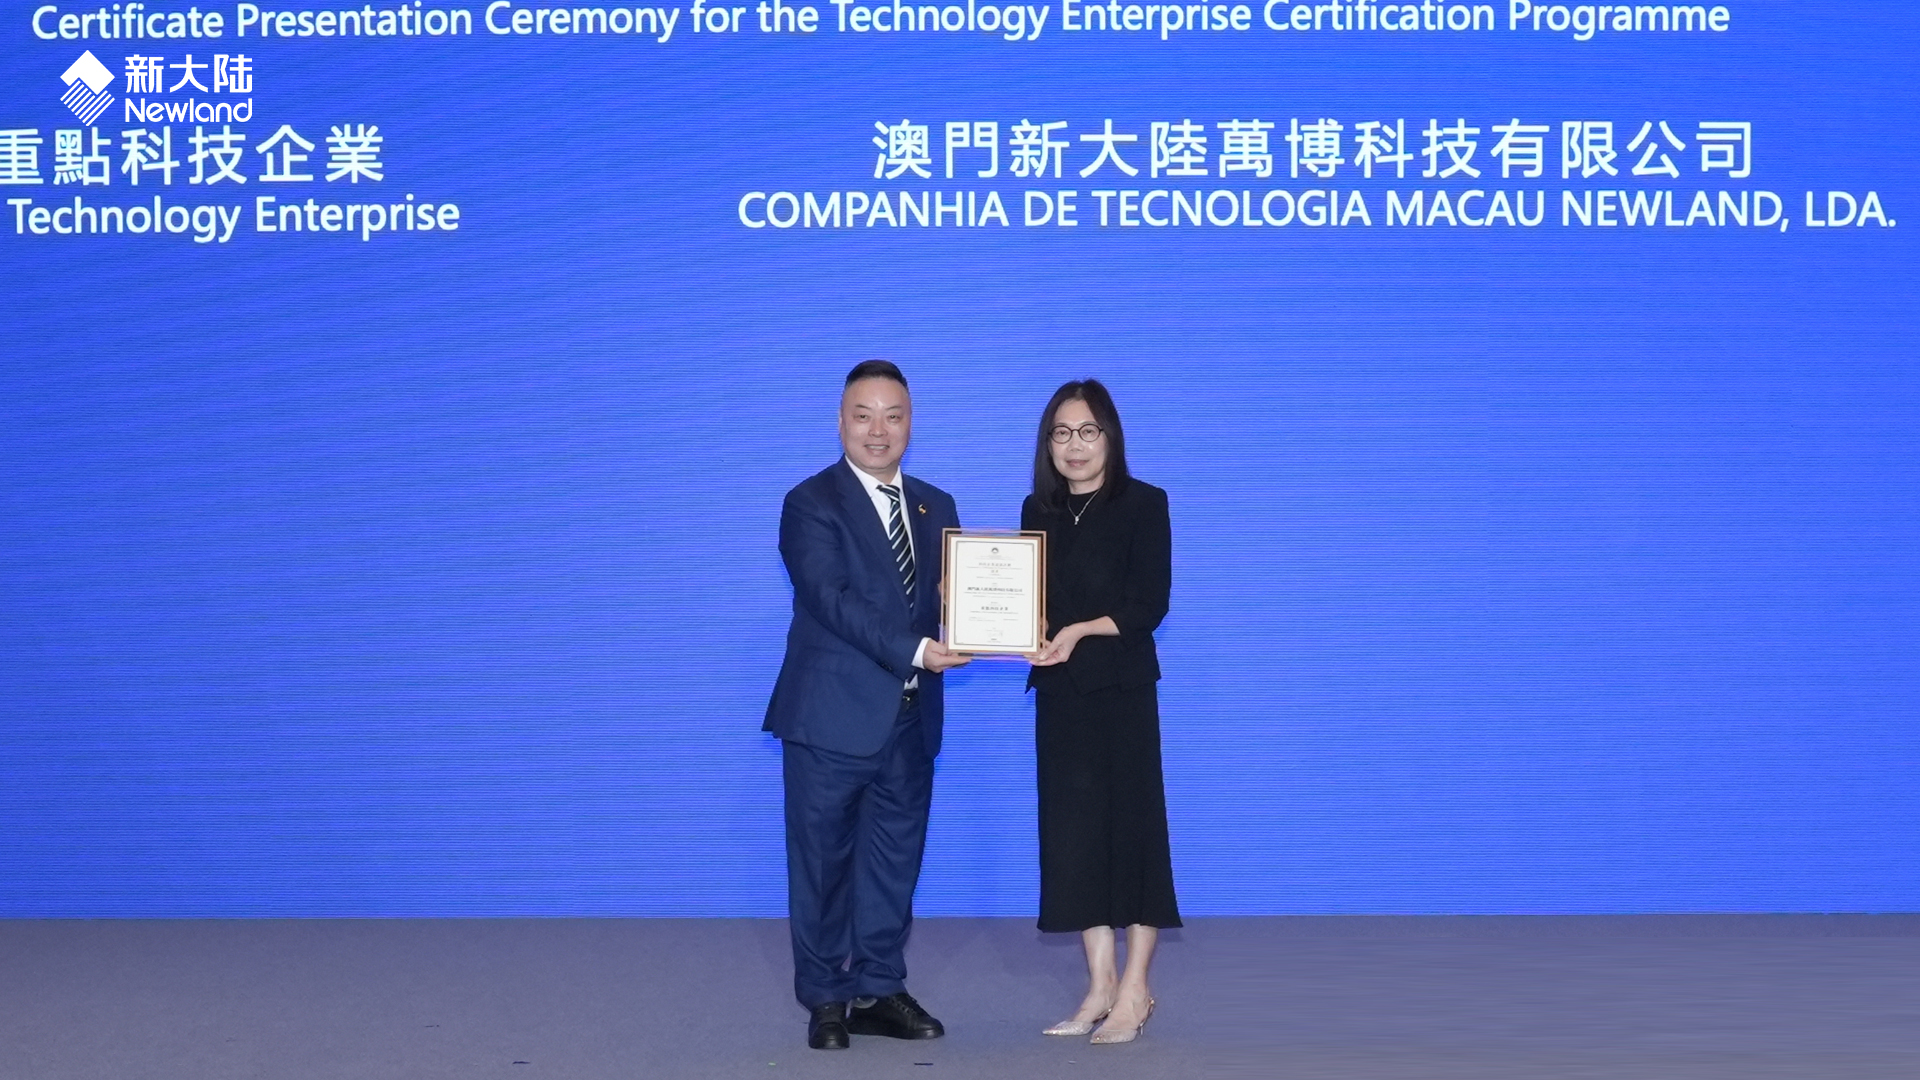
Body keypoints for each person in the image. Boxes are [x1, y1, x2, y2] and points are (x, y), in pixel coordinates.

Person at [763, 360, 971, 1051]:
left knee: (893, 863)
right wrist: (919, 649)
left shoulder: (936, 505)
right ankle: (826, 997)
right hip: (830, 719)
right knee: (822, 866)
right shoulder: (809, 502)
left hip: (910, 721)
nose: (879, 430)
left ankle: (879, 988)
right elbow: (833, 601)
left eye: (893, 415)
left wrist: (1003, 623)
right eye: (864, 414)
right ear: (841, 421)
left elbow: (954, 599)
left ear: (911, 423)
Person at [1021, 378, 1180, 1046]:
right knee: (1075, 840)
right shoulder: (1038, 510)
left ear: (1110, 436)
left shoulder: (1145, 504)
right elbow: (1029, 600)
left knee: (1132, 835)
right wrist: (1010, 625)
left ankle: (1137, 989)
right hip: (1060, 697)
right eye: (1061, 433)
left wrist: (1081, 631)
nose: (1075, 445)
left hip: (1121, 694)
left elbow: (1149, 605)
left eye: (1088, 431)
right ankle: (1100, 986)